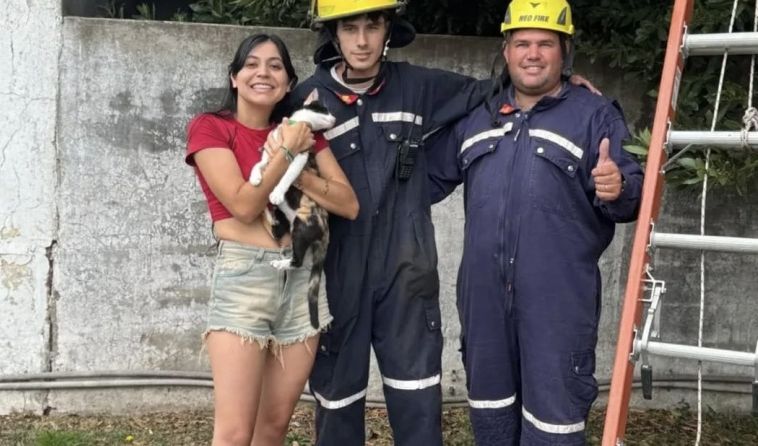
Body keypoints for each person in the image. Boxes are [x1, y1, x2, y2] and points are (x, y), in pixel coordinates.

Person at [289, 1, 602, 445]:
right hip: (338, 274)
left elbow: (496, 89)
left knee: (417, 401)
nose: (362, 40)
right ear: (332, 35)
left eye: (372, 26)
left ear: (388, 31)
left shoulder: (418, 87)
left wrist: (562, 83)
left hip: (407, 275)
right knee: (337, 403)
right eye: (350, 27)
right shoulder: (307, 99)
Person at [426, 0, 645, 444]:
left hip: (559, 304)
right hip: (483, 301)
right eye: (522, 43)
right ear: (505, 51)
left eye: (546, 43)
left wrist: (618, 186)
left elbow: (630, 197)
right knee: (491, 419)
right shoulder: (476, 115)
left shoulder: (594, 115)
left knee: (554, 426)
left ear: (565, 52)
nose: (533, 53)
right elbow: (420, 181)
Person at [184, 33, 359, 446]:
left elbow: (348, 204)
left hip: (304, 283)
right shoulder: (211, 127)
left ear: (287, 81)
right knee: (233, 433)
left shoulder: (303, 134)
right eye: (252, 64)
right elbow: (243, 206)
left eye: (275, 66)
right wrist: (287, 152)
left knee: (274, 426)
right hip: (245, 278)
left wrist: (299, 161)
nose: (263, 72)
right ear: (234, 77)